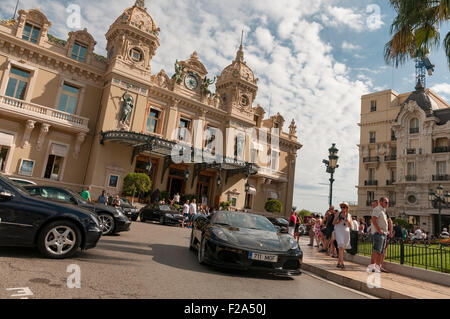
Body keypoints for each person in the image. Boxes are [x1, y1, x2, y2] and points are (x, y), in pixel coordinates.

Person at [370, 197, 390, 271]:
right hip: (379, 233)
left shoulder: (383, 210)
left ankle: (378, 267)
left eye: (387, 202)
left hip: (384, 233)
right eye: (386, 202)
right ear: (381, 202)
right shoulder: (377, 209)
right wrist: (378, 230)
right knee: (376, 250)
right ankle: (372, 267)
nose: (387, 204)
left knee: (381, 251)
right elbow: (373, 219)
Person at [333, 202, 353, 269]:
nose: (342, 208)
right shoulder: (338, 214)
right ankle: (342, 263)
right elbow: (333, 223)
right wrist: (338, 221)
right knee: (341, 245)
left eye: (344, 207)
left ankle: (338, 263)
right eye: (341, 207)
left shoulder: (349, 215)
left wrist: (348, 221)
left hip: (346, 231)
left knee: (342, 247)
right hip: (339, 230)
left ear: (347, 208)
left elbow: (351, 226)